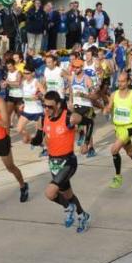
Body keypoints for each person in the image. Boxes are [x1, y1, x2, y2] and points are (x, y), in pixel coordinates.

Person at [42, 90, 91, 233]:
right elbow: (41, 137)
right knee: (68, 195)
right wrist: (30, 139)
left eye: (50, 106)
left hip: (68, 162)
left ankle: (68, 208)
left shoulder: (68, 118)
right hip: (53, 163)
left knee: (50, 193)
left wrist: (85, 143)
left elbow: (90, 122)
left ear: (58, 104)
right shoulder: (45, 117)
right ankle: (82, 215)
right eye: (44, 105)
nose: (46, 109)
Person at [69, 59, 97, 157]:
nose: (75, 69)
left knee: (86, 126)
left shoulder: (87, 79)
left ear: (81, 67)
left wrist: (83, 95)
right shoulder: (72, 78)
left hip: (86, 106)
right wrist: (70, 101)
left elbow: (94, 96)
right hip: (76, 106)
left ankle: (91, 147)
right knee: (74, 124)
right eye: (74, 67)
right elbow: (71, 91)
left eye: (77, 67)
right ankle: (81, 135)